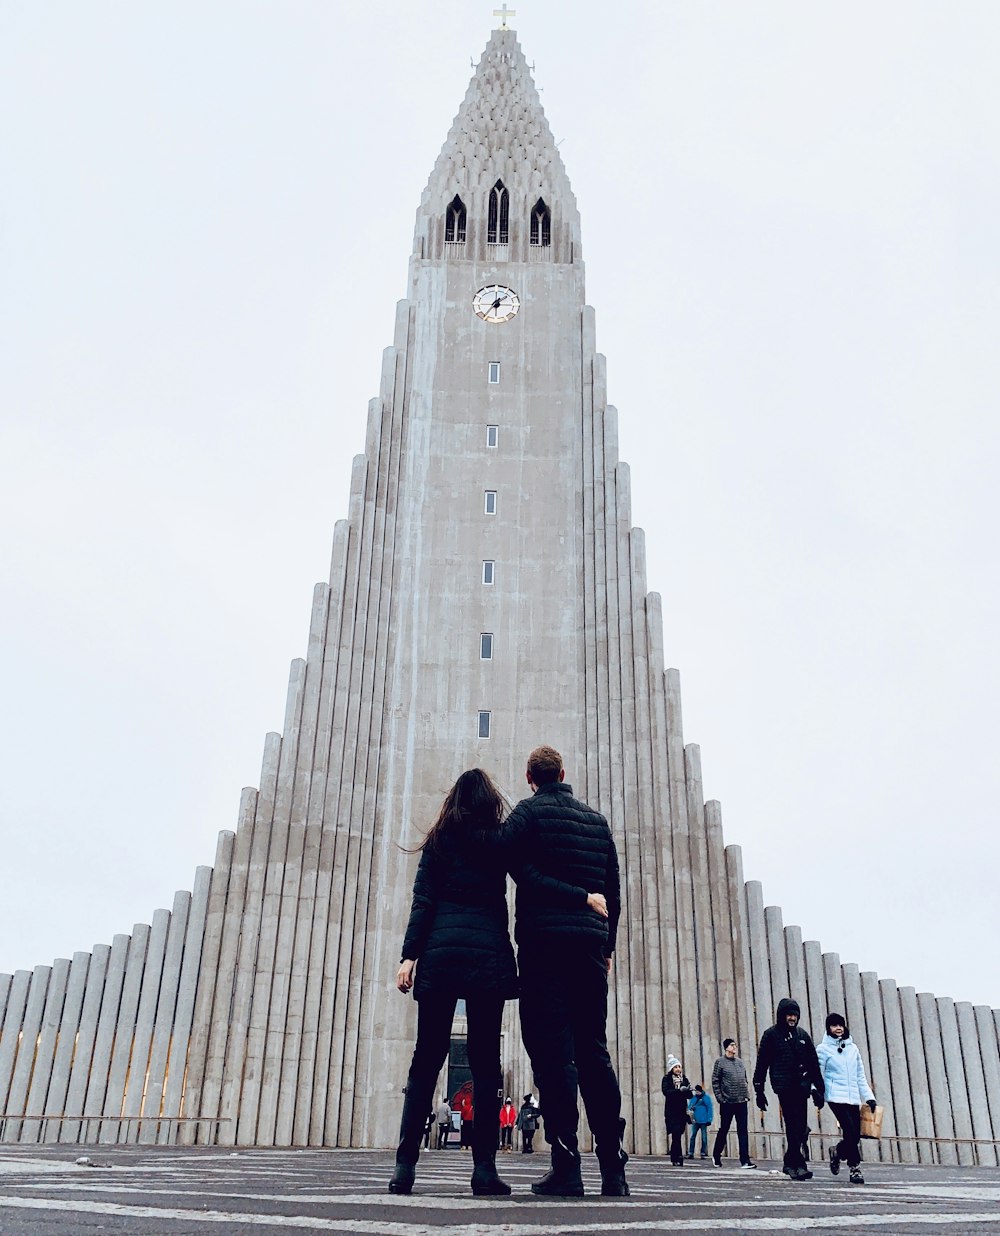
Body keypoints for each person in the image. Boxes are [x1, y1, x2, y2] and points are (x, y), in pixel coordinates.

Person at [506, 745, 629, 1198]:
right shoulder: (597, 823)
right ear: (563, 772)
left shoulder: (526, 815)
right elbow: (612, 893)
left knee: (554, 1060)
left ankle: (567, 1166)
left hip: (543, 952)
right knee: (594, 1054)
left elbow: (514, 865)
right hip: (589, 953)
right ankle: (613, 1170)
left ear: (529, 775)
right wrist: (607, 945)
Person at [388, 769, 517, 1197]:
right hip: (486, 958)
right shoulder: (497, 841)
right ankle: (484, 1170)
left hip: (441, 956)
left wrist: (409, 957)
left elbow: (422, 899)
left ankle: (404, 1167)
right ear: (489, 802)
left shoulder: (440, 841)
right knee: (485, 1064)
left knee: (426, 1059)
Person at [752, 997, 825, 1181]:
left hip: (802, 1086)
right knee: (793, 1125)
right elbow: (762, 1064)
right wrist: (759, 1090)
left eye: (795, 1015)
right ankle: (796, 1164)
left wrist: (819, 1088)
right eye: (789, 1015)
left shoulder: (802, 1035)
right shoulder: (771, 1035)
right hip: (784, 1085)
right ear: (782, 1015)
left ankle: (792, 1162)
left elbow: (813, 1063)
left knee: (800, 1126)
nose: (792, 1018)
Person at [817, 1013, 877, 1186]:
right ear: (828, 1028)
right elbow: (818, 1074)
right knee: (850, 1130)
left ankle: (837, 1151)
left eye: (840, 1025)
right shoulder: (823, 1049)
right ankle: (855, 1168)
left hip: (853, 1097)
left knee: (855, 1135)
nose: (838, 1028)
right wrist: (817, 1092)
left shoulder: (853, 1049)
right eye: (834, 1025)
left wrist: (869, 1098)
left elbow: (860, 1076)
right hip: (835, 1096)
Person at [711, 1038, 756, 1169]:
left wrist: (746, 1094)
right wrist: (720, 1098)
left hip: (741, 1101)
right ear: (726, 1048)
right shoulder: (720, 1062)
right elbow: (715, 1081)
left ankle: (745, 1160)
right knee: (724, 1129)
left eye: (735, 1045)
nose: (734, 1047)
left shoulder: (740, 1063)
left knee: (743, 1130)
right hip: (727, 1102)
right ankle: (716, 1154)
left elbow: (745, 1079)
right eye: (732, 1045)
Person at [661, 1056, 692, 1165]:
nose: (678, 1069)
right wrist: (679, 1091)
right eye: (675, 1067)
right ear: (671, 1069)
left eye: (679, 1066)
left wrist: (687, 1090)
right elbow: (666, 1092)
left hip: (682, 1111)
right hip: (671, 1111)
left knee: (678, 1133)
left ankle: (674, 1155)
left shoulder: (684, 1079)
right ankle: (678, 1157)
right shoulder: (667, 1079)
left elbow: (690, 1096)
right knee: (676, 1133)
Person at [686, 1084, 714, 1160]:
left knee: (704, 1137)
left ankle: (703, 1153)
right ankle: (691, 1153)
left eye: (698, 1092)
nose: (697, 1093)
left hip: (704, 1121)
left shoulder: (706, 1098)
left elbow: (710, 1108)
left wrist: (709, 1119)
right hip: (695, 1120)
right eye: (696, 1092)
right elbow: (689, 1107)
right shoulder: (694, 1098)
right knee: (693, 1137)